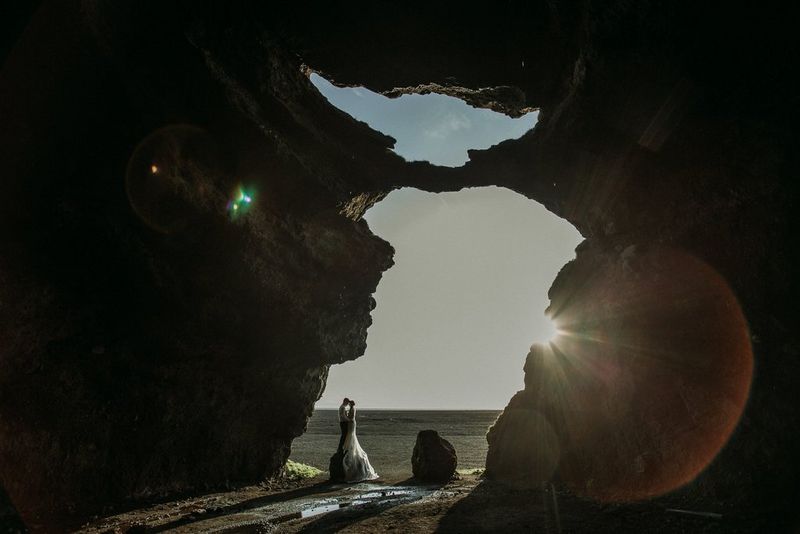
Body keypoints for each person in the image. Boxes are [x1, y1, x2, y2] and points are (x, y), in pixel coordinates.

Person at [342, 400, 379, 482]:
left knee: (351, 435)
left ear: (351, 404)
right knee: (350, 435)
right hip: (350, 423)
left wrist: (346, 416)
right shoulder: (351, 408)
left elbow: (351, 417)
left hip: (351, 423)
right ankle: (349, 446)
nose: (349, 404)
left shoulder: (353, 409)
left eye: (350, 403)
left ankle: (350, 447)